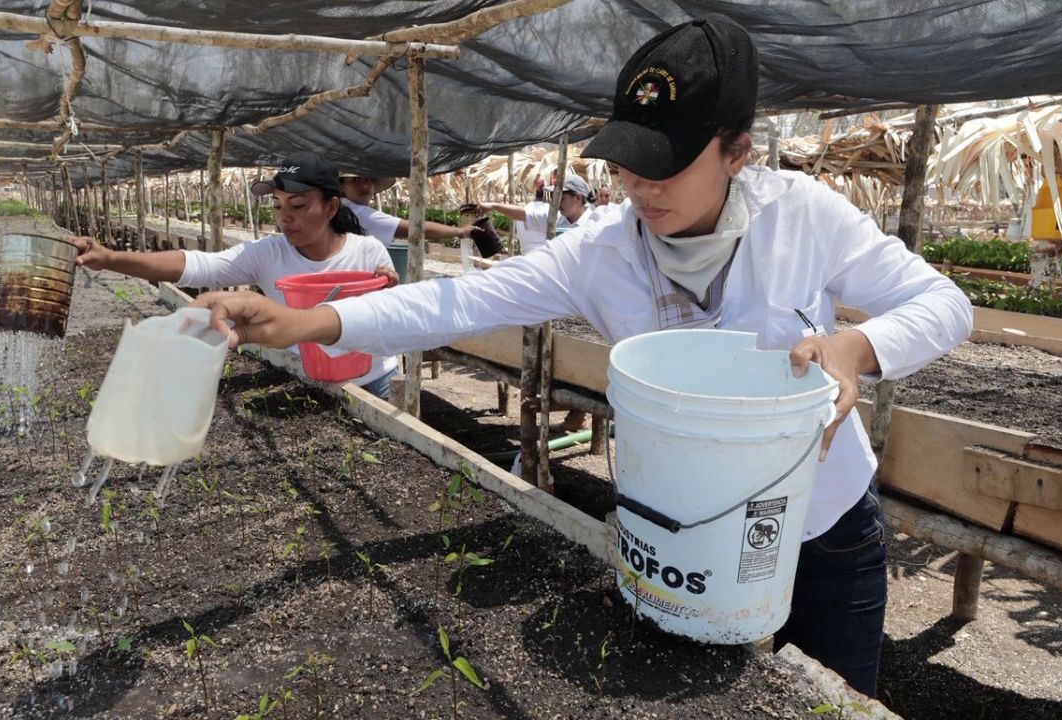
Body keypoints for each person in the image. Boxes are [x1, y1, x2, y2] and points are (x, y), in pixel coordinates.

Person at [190, 16, 972, 697]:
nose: (639, 185)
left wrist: (855, 345)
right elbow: (457, 302)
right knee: (692, 692)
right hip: (680, 529)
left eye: (663, 163)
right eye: (626, 162)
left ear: (736, 151)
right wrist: (308, 323)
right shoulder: (601, 249)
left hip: (820, 524)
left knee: (832, 698)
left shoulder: (802, 218)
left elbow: (945, 305)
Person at [69, 151, 400, 398]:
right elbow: (197, 265)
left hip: (372, 381)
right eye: (277, 206)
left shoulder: (367, 253)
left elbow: (393, 322)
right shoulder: (269, 254)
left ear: (330, 208)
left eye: (297, 206)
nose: (284, 217)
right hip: (309, 379)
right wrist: (111, 258)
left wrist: (390, 292)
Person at [338, 174, 478, 246]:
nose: (365, 185)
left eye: (368, 179)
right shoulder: (359, 213)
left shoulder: (338, 207)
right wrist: (460, 232)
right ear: (341, 187)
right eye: (356, 180)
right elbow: (415, 229)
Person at [480, 174, 596, 254]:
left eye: (561, 199)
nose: (556, 203)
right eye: (554, 198)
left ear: (578, 198)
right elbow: (521, 214)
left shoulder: (593, 223)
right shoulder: (555, 218)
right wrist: (493, 206)